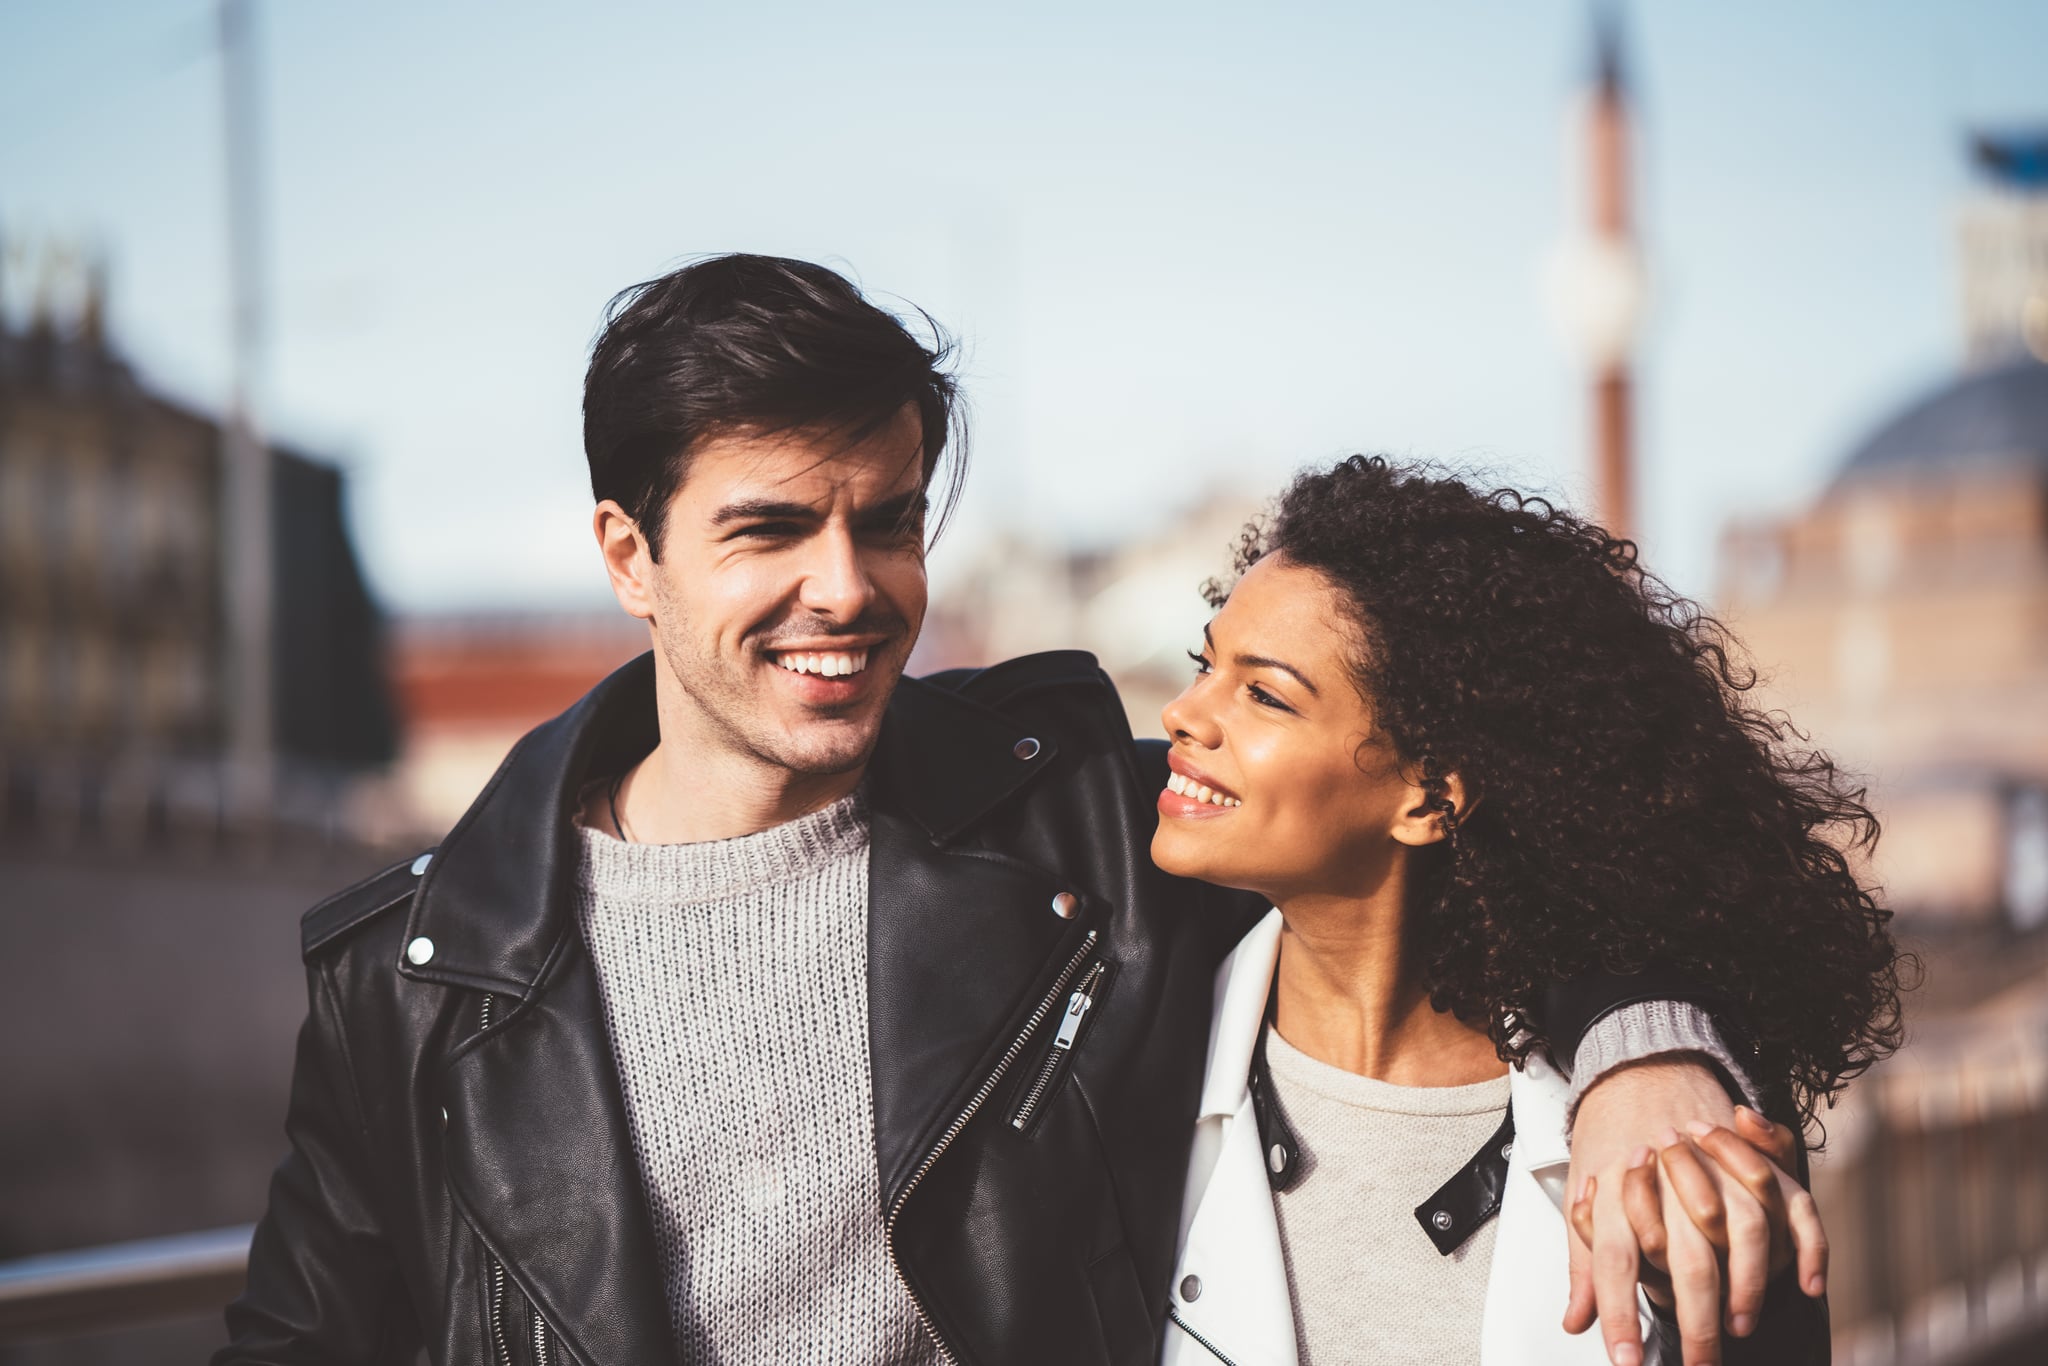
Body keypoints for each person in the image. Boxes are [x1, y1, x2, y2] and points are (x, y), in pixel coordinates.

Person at [219, 257, 1806, 1366]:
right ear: (629, 554)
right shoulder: (412, 984)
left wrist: (1642, 1048)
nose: (845, 590)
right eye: (770, 529)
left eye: (889, 521)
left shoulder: (1092, 839)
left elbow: (1521, 828)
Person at [1155, 456, 1903, 1365]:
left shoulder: (1677, 1140)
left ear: (1430, 797)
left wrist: (1648, 1053)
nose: (1182, 714)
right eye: (1206, 663)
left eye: (1264, 693)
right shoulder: (1115, 1055)